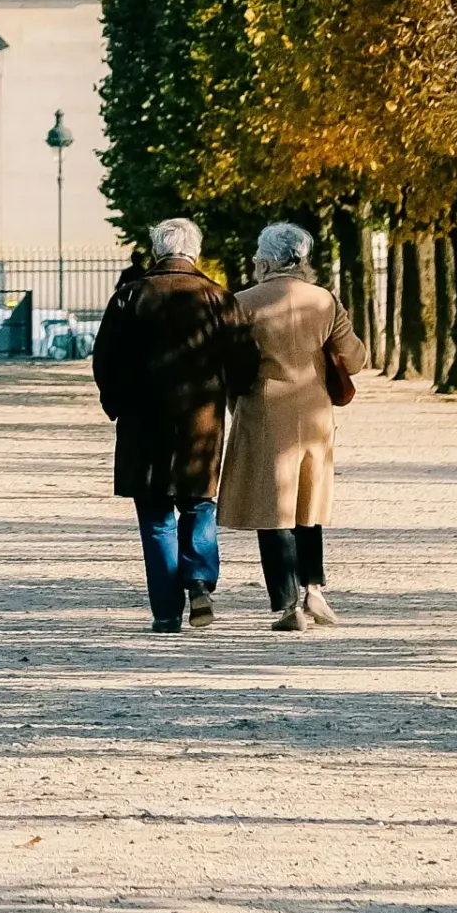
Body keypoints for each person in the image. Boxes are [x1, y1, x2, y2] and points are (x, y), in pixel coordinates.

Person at [91, 217, 257, 632]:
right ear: (194, 252)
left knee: (156, 516)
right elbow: (243, 361)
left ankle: (166, 611)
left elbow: (104, 359)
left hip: (143, 424)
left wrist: (117, 404)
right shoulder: (219, 298)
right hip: (200, 422)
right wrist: (231, 391)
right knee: (200, 502)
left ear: (157, 250)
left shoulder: (130, 296)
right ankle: (199, 579)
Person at [218, 220, 365, 630]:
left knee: (273, 509)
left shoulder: (243, 301)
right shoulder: (325, 301)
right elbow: (354, 359)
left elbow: (228, 362)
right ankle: (314, 588)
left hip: (264, 411)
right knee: (309, 502)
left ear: (265, 260)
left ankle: (287, 606)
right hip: (315, 412)